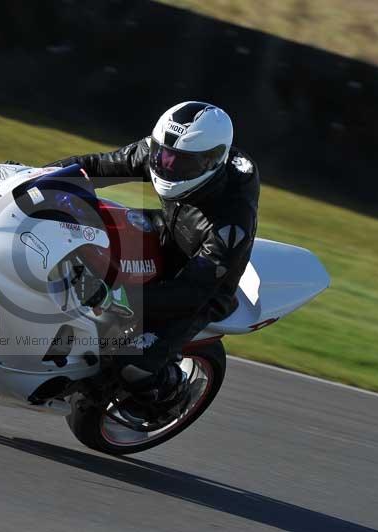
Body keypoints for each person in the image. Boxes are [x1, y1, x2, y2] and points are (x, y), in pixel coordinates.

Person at [48, 101, 260, 409]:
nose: (168, 165)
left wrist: (116, 297)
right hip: (168, 231)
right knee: (84, 227)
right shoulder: (165, 152)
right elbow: (97, 165)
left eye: (180, 162)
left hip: (202, 287)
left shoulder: (230, 223)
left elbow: (191, 291)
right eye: (163, 154)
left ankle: (169, 396)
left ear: (210, 163)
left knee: (132, 364)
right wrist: (41, 176)